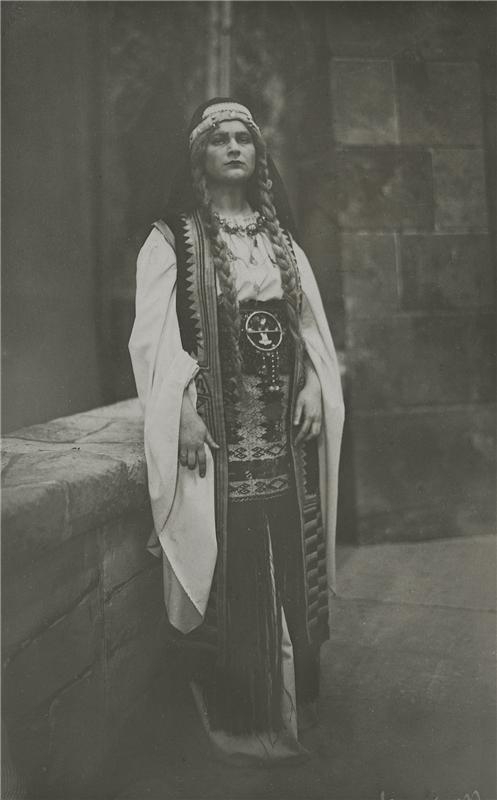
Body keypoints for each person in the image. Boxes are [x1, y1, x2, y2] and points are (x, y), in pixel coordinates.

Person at [128, 98, 344, 763]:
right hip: (220, 433)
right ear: (200, 154)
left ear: (257, 155)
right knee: (235, 554)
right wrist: (182, 410)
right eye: (219, 138)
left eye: (242, 139)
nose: (232, 148)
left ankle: (293, 699)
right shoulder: (174, 238)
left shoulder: (281, 241)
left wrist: (314, 384)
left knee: (289, 548)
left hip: (283, 431)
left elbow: (309, 330)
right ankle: (244, 710)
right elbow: (154, 342)